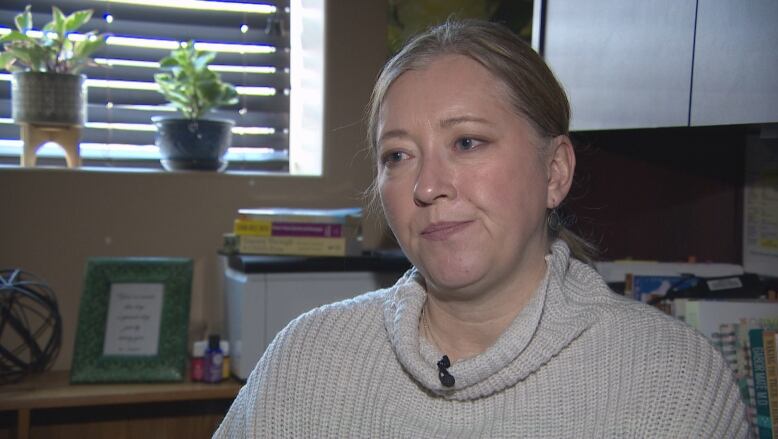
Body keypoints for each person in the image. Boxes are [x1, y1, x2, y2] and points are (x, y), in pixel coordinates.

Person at [214, 19, 749, 438]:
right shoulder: (307, 359)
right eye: (398, 155)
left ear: (554, 171)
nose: (426, 185)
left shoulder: (674, 380)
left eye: (467, 142)